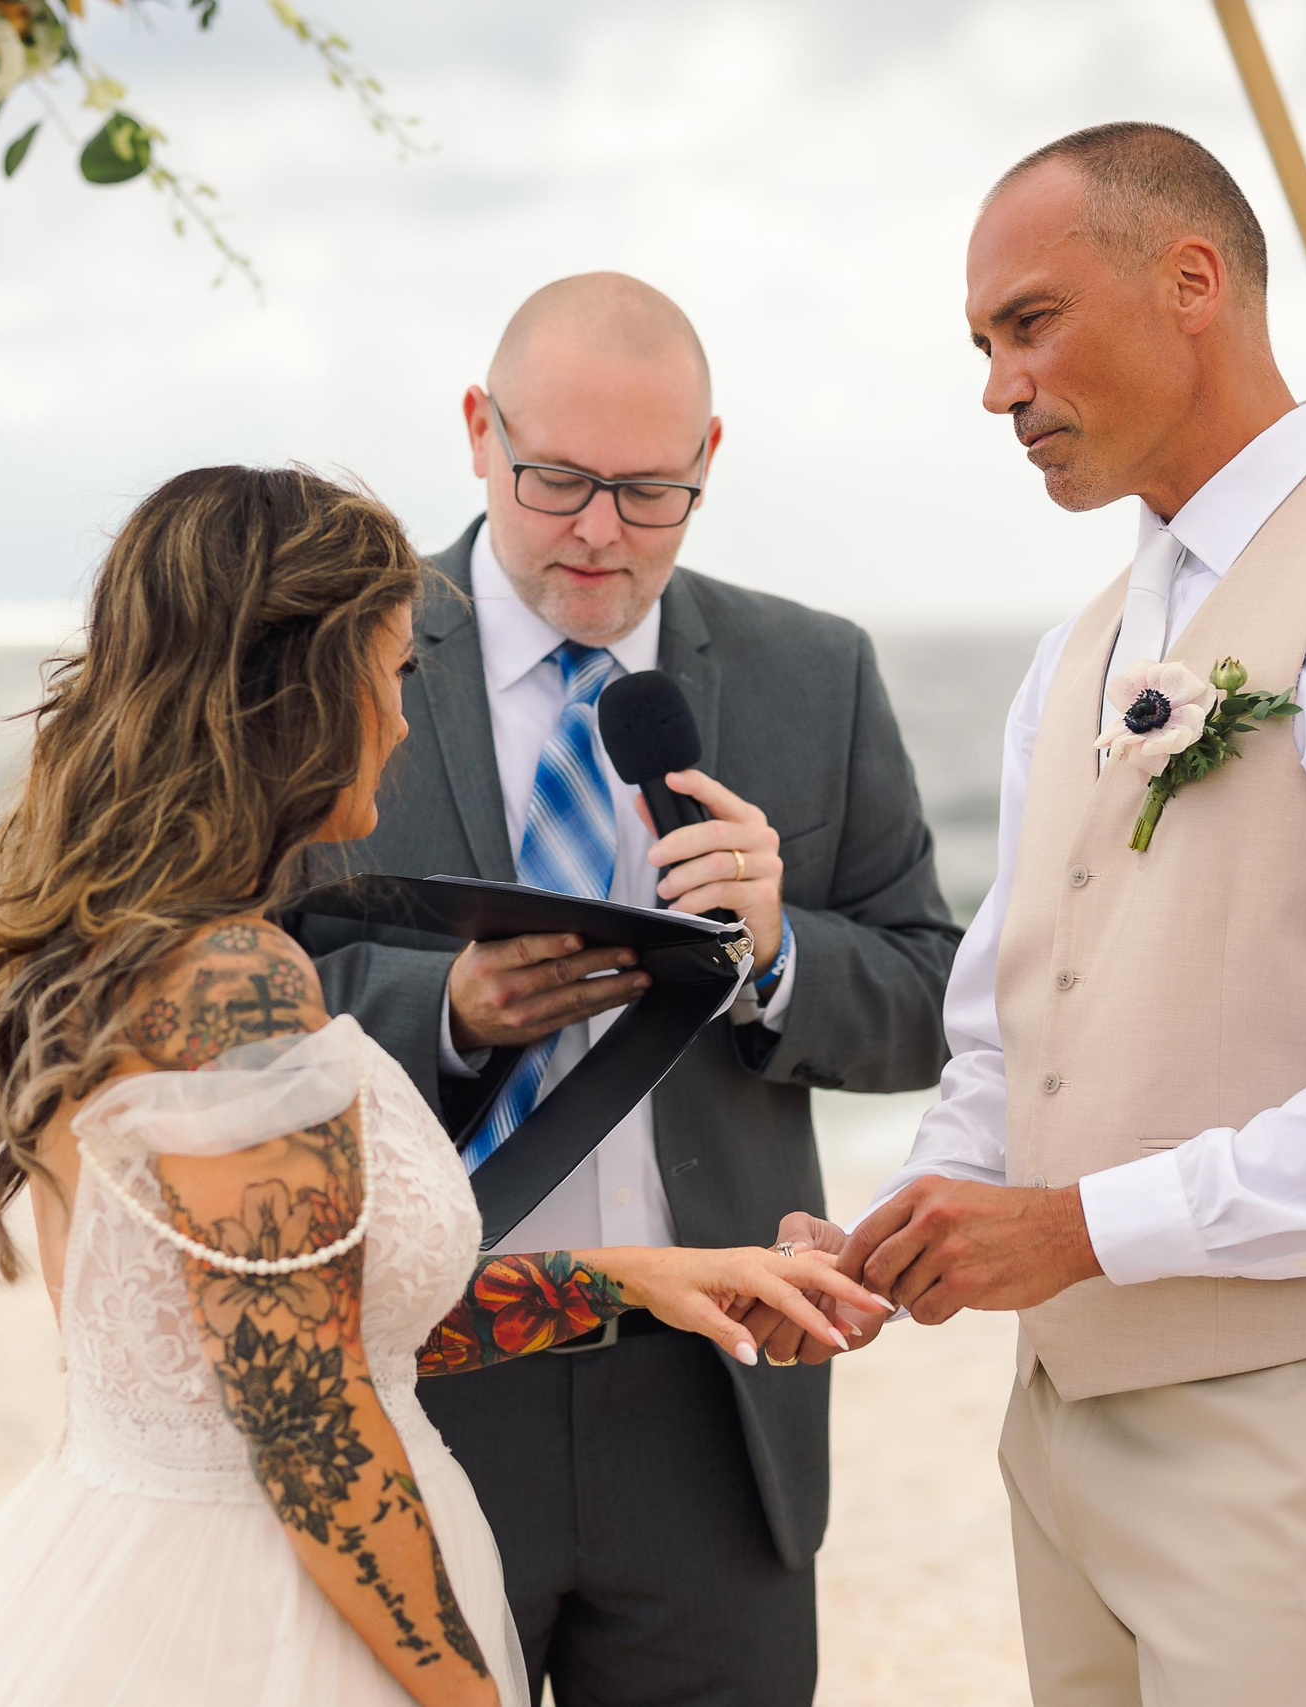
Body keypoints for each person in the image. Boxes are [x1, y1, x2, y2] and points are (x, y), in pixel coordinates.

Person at [0, 465, 888, 1707]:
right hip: (265, 1618)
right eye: (390, 674)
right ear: (302, 696)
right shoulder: (232, 981)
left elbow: (310, 1322)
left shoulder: (125, 943)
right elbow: (308, 1415)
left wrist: (636, 1277)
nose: (401, 720)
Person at [783, 125, 1306, 1704]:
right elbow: (1023, 1021)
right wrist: (915, 1223)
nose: (999, 389)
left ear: (1192, 282)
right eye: (985, 345)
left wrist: (1080, 1227)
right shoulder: (1081, 642)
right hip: (1067, 1432)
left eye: (1030, 324)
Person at [287, 273, 958, 1705]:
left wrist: (779, 953)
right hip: (421, 1363)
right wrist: (450, 1011)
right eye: (559, 480)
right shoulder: (332, 649)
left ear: (711, 457)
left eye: (650, 491)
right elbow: (240, 984)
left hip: (715, 1392)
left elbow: (929, 991)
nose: (600, 529)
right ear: (478, 431)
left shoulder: (814, 672)